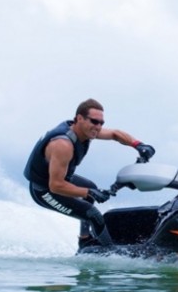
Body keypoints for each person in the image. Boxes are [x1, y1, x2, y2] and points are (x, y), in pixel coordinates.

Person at [24, 98, 155, 247]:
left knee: (90, 187)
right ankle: (111, 254)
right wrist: (90, 192)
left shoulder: (85, 131)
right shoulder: (62, 145)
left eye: (101, 123)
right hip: (44, 190)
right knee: (94, 215)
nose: (98, 127)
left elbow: (114, 134)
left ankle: (84, 240)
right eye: (94, 121)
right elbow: (55, 186)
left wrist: (138, 145)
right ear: (79, 118)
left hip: (60, 181)